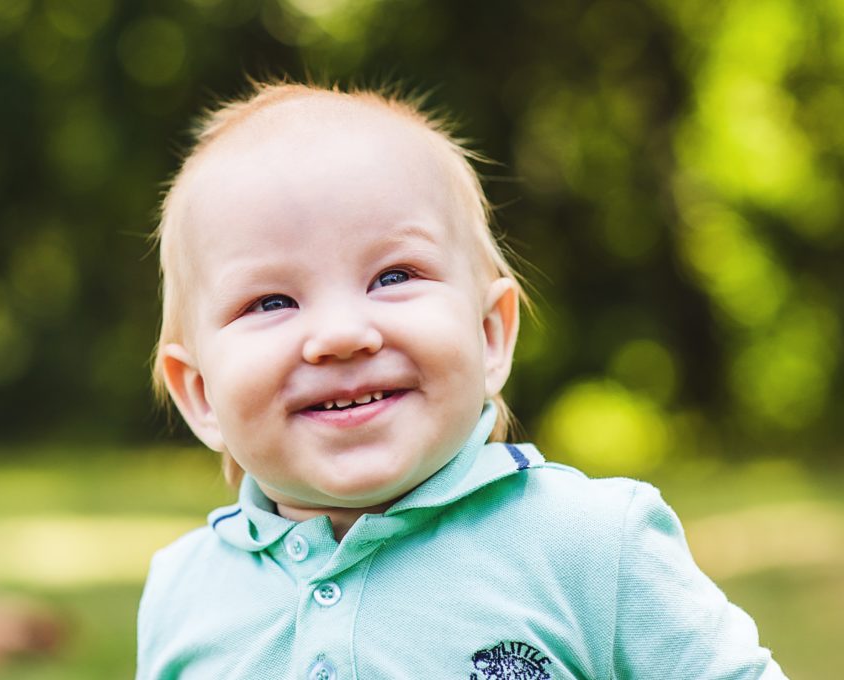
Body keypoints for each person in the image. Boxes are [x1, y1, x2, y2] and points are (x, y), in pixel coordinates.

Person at [136, 80, 786, 680]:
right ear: (199, 395)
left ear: (490, 334)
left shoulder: (591, 546)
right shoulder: (182, 592)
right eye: (271, 302)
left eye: (393, 276)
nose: (339, 334)